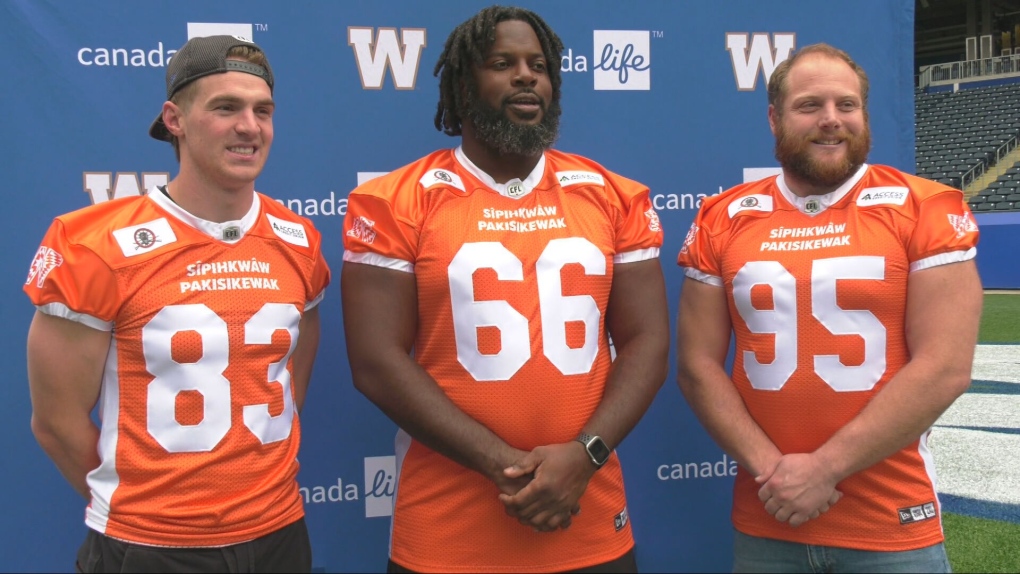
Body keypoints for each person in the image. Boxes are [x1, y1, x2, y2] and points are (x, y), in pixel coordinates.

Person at [340, 5, 669, 573]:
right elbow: (375, 363)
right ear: (463, 84)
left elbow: (647, 342)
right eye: (502, 63)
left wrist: (583, 457)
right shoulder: (395, 201)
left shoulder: (612, 196)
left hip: (587, 512)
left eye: (538, 65)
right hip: (448, 528)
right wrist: (502, 465)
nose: (526, 76)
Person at [24, 35, 330, 573]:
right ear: (175, 118)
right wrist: (149, 513)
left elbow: (289, 382)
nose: (249, 127)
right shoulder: (93, 244)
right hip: (149, 544)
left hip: (280, 531)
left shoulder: (298, 239)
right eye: (225, 107)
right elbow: (56, 422)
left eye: (263, 110)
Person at [676, 43, 982, 573]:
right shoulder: (722, 218)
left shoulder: (925, 208)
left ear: (864, 113)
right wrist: (775, 473)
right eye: (809, 105)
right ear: (775, 117)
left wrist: (822, 470)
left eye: (847, 105)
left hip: (891, 521)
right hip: (769, 515)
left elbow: (945, 369)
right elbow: (697, 365)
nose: (831, 121)